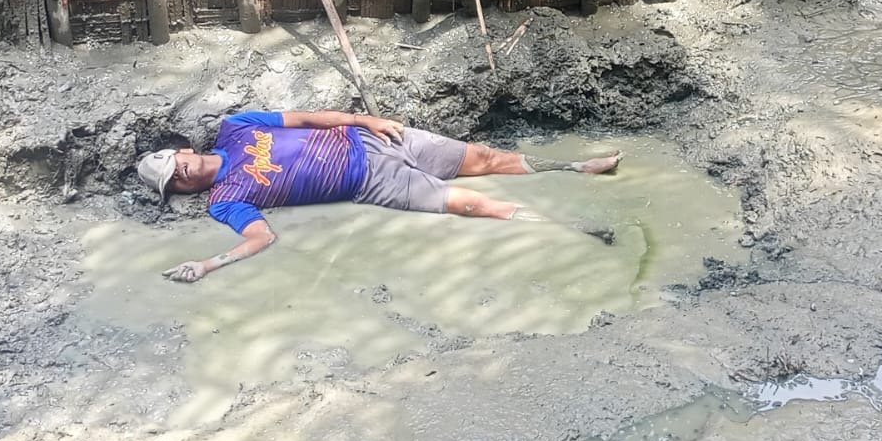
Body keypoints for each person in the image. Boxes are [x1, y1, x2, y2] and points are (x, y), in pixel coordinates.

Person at [135, 109, 622, 283]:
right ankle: (571, 229)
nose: (180, 174)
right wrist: (208, 264)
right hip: (371, 182)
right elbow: (262, 237)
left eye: (174, 165)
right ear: (179, 191)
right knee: (473, 205)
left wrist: (364, 120)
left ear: (183, 149)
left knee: (486, 158)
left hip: (374, 139)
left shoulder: (236, 127)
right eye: (173, 182)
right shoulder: (225, 199)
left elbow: (305, 118)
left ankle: (579, 167)